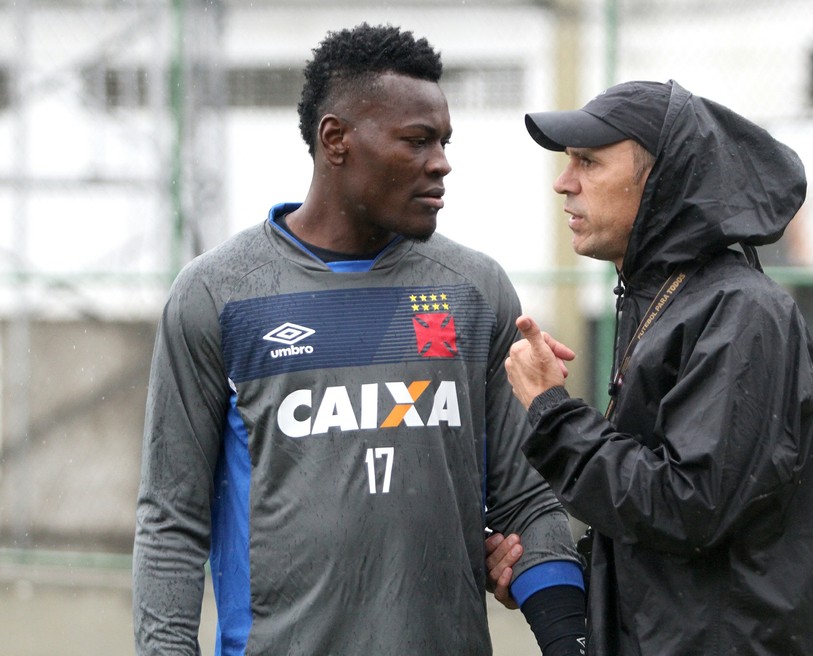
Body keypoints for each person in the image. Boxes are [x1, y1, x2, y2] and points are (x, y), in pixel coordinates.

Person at [132, 23, 586, 655]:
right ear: (336, 140)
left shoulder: (474, 291)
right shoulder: (218, 295)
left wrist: (571, 639)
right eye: (417, 140)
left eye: (445, 141)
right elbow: (170, 521)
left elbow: (527, 504)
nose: (442, 162)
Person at [500, 80, 813, 654]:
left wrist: (552, 412)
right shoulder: (666, 298)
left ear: (662, 180)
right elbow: (658, 543)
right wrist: (557, 567)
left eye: (589, 162)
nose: (564, 181)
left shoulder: (742, 311)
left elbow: (686, 507)